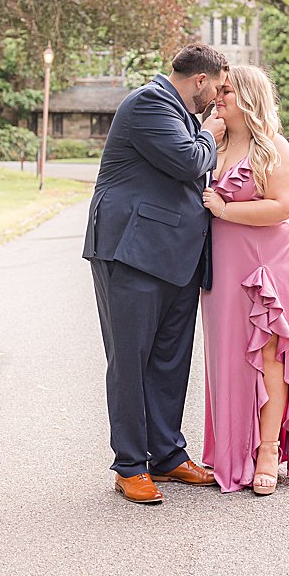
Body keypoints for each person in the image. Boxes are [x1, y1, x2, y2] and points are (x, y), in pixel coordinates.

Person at [83, 44, 229, 505]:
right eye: (219, 88)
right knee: (131, 360)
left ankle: (166, 455)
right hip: (131, 251)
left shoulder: (181, 112)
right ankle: (129, 465)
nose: (220, 99)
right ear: (200, 81)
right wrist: (209, 133)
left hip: (176, 256)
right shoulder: (149, 103)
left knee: (169, 360)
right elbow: (189, 161)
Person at [199, 64, 289, 495]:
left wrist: (225, 210)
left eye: (228, 91)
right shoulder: (211, 143)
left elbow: (283, 206)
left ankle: (268, 449)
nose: (219, 97)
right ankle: (233, 452)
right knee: (229, 357)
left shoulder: (273, 147)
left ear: (249, 97)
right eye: (219, 90)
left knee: (270, 354)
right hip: (224, 264)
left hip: (270, 261)